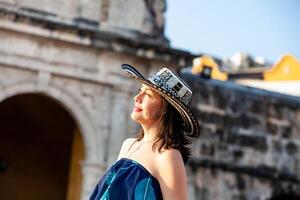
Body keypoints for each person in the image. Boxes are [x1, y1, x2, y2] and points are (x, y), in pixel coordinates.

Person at [89, 64, 200, 200]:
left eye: (147, 94)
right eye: (140, 90)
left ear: (165, 109)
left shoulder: (168, 156)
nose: (137, 97)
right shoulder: (128, 145)